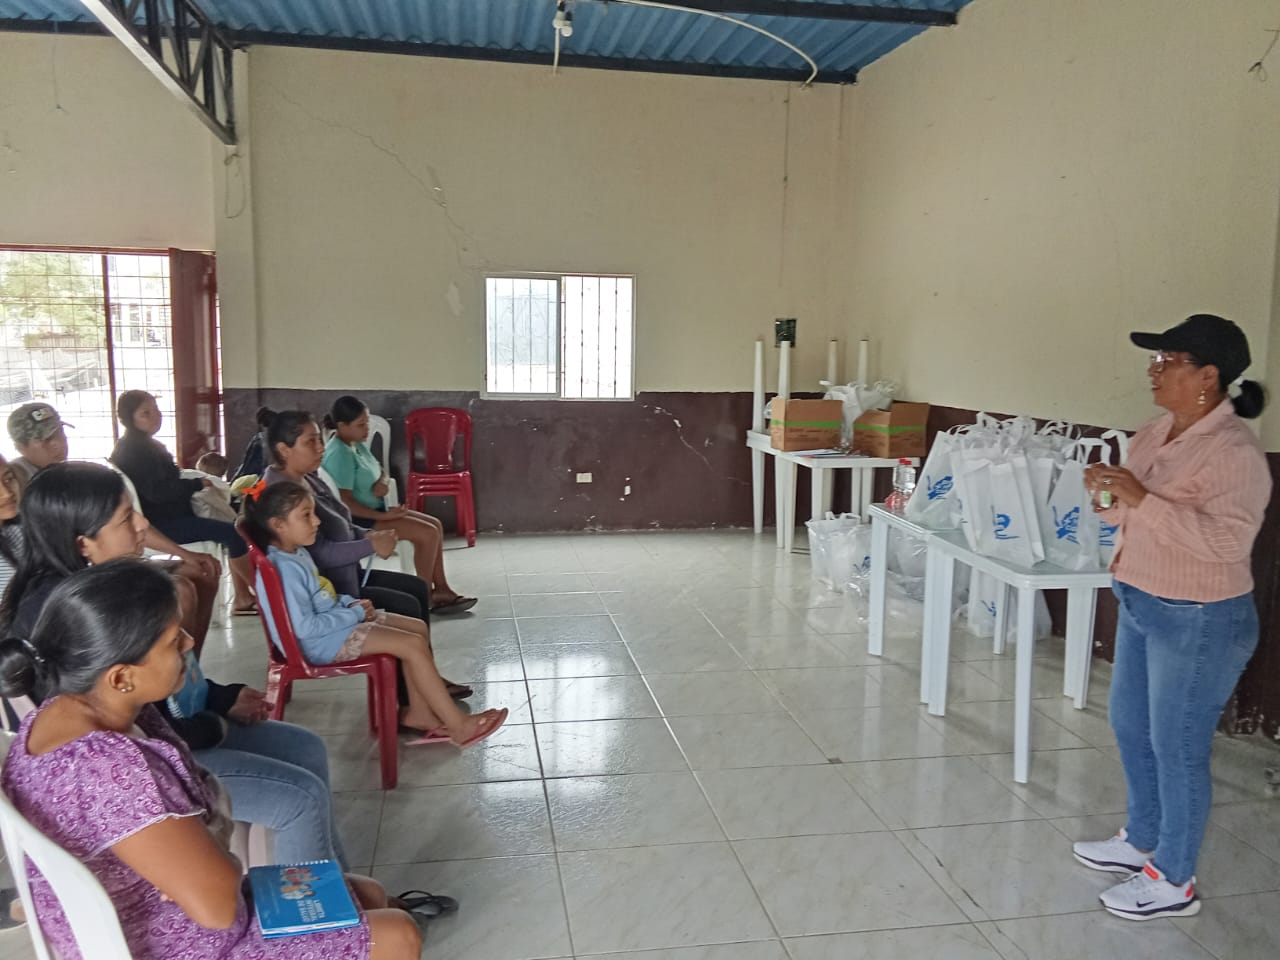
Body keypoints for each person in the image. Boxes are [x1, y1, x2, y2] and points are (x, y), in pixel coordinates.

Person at [0, 560, 421, 960]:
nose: (189, 643)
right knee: (397, 933)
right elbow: (217, 908)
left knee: (366, 893)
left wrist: (201, 853)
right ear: (121, 676)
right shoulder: (107, 768)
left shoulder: (59, 716)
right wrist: (210, 847)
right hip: (171, 943)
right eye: (173, 641)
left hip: (162, 913)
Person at [0, 463, 355, 868]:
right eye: (126, 518)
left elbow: (156, 692)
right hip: (140, 765)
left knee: (305, 747)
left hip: (164, 735)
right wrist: (214, 723)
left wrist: (220, 698)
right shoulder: (77, 615)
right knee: (299, 798)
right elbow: (138, 733)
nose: (142, 524)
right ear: (83, 543)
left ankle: (340, 887)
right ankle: (315, 906)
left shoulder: (91, 586)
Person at [1073, 314, 1271, 920]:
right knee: (1131, 726)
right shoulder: (1154, 433)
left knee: (1178, 746)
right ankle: (1141, 838)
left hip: (1200, 618)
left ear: (1208, 376)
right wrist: (1106, 495)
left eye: (1168, 361)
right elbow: (1125, 514)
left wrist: (1142, 499)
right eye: (1154, 360)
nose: (1153, 371)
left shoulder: (1234, 452)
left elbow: (1227, 544)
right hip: (1141, 599)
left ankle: (1174, 879)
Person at [241, 480, 505, 746]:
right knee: (412, 645)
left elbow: (322, 595)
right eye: (306, 515)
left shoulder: (295, 552)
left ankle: (420, 713)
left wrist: (350, 604)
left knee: (417, 628)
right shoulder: (285, 569)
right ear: (278, 525)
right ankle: (459, 726)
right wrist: (353, 615)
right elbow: (305, 627)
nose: (317, 521)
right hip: (318, 643)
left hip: (331, 628)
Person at [264, 411, 435, 624]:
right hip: (328, 596)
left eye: (319, 440)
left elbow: (342, 521)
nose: (321, 448)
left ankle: (416, 645)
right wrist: (370, 546)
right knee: (408, 604)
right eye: (310, 442)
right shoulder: (281, 494)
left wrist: (370, 535)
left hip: (348, 577)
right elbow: (320, 554)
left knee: (417, 588)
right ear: (284, 449)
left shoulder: (307, 478)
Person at [322, 397, 476, 614]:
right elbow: (345, 503)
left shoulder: (355, 444)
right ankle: (424, 596)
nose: (366, 429)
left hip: (378, 511)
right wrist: (384, 517)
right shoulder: (339, 453)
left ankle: (441, 589)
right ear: (342, 426)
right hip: (360, 520)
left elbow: (380, 471)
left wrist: (382, 482)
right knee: (426, 534)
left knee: (435, 525)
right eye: (360, 425)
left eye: (367, 423)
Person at [109, 390, 257, 615]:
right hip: (163, 524)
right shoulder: (135, 451)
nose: (155, 416)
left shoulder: (142, 445)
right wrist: (196, 485)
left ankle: (243, 596)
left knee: (232, 526)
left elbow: (167, 480)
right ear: (129, 418)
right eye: (146, 413)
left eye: (156, 410)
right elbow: (158, 492)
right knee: (233, 533)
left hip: (171, 515)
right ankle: (255, 593)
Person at [5, 402, 70, 493]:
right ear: (21, 447)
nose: (59, 443)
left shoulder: (63, 470)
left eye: (60, 432)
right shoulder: (13, 482)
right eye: (47, 439)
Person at [233, 406, 275, 481]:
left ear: (262, 424)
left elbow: (247, 464)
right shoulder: (285, 439)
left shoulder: (259, 439)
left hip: (261, 479)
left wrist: (236, 478)